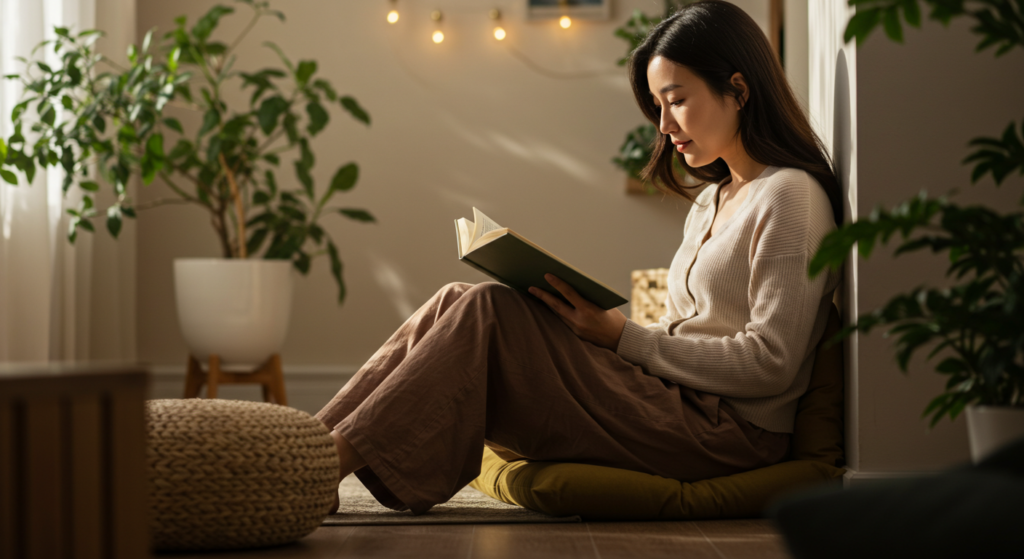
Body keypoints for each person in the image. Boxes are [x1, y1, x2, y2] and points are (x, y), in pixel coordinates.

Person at [315, 0, 843, 515]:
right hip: (677, 402)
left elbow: (771, 365)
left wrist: (622, 338)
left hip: (728, 435)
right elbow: (686, 329)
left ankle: (317, 470)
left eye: (676, 100)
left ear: (739, 89)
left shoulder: (789, 197)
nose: (663, 124)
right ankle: (308, 448)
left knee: (490, 310)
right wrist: (606, 334)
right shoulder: (713, 198)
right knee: (458, 297)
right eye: (657, 105)